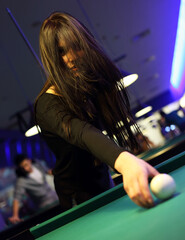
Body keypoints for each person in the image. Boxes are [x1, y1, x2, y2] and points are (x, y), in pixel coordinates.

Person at [34, 12, 159, 211]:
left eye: (76, 47)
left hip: (103, 179)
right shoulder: (47, 104)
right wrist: (125, 161)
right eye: (61, 52)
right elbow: (83, 133)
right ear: (52, 57)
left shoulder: (89, 85)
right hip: (76, 197)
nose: (71, 58)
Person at [8, 154, 58, 224]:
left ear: (29, 161)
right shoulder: (21, 181)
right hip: (44, 207)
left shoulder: (37, 164)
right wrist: (15, 216)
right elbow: (17, 198)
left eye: (26, 165)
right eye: (22, 167)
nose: (25, 168)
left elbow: (48, 171)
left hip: (56, 197)